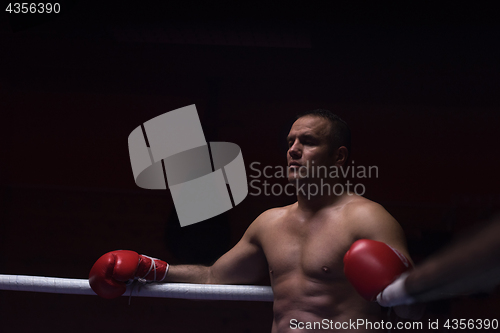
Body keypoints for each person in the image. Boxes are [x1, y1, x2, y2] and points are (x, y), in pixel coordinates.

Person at [90, 110, 416, 332]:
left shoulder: (367, 218)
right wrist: (150, 269)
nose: (294, 150)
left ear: (339, 157)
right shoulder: (270, 223)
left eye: (308, 142)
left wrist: (401, 289)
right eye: (290, 142)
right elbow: (213, 277)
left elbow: (414, 312)